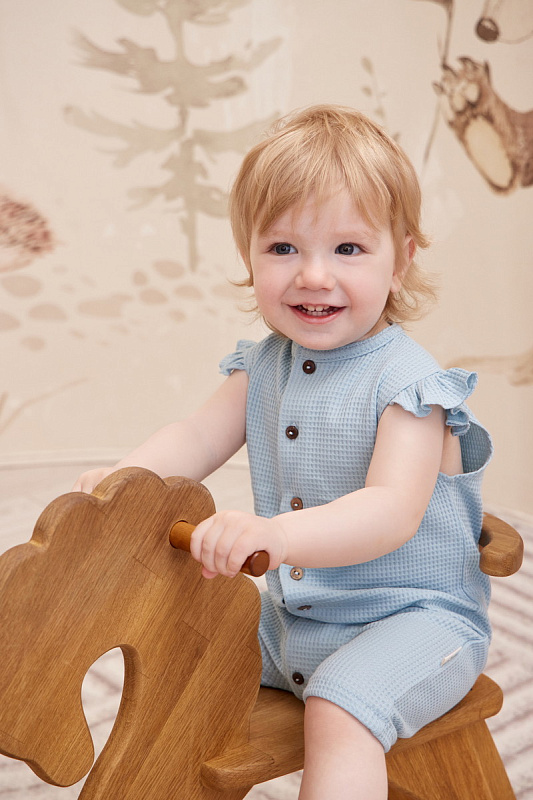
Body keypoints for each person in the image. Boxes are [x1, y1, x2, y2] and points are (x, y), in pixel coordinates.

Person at [74, 105, 492, 800]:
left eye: (348, 249)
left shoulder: (411, 386)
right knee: (186, 652)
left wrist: (277, 535)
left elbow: (390, 510)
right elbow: (195, 436)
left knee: (339, 708)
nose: (313, 276)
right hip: (294, 619)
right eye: (283, 248)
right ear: (249, 256)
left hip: (413, 620)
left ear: (401, 259)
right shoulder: (264, 364)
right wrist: (127, 479)